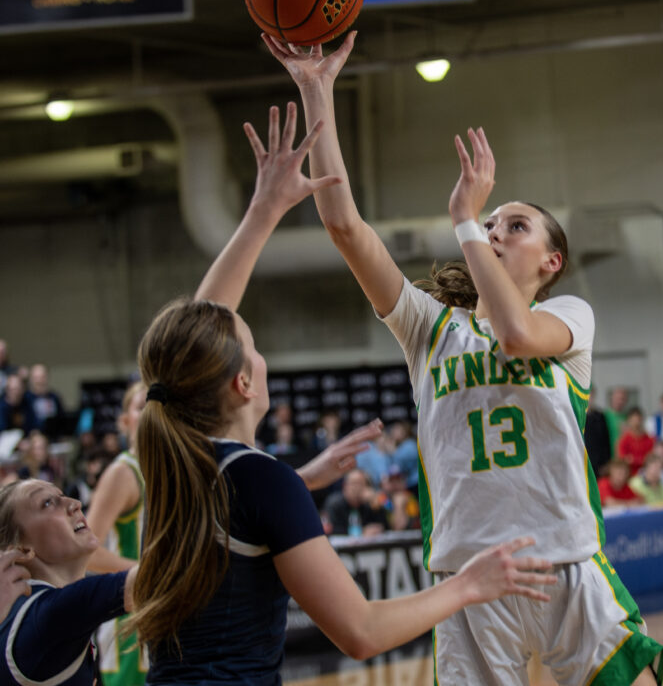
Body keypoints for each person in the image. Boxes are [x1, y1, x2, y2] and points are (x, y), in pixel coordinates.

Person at [266, 32, 663, 685]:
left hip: (567, 562)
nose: (494, 230)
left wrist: (464, 218)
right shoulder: (430, 329)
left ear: (551, 261)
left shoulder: (570, 318)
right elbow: (344, 226)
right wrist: (316, 88)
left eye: (515, 226)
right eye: (491, 223)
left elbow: (514, 334)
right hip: (466, 579)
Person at [128, 102, 557, 684]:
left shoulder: (173, 459)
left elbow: (195, 339)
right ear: (243, 382)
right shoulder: (251, 476)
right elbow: (360, 632)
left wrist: (265, 207)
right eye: (251, 344)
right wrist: (468, 585)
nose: (258, 350)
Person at [0, 479, 138, 685]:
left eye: (62, 495)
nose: (74, 503)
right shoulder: (46, 616)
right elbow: (159, 577)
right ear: (23, 549)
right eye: (47, 503)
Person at [86, 381, 148, 686]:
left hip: (161, 613)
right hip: (129, 622)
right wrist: (150, 575)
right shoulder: (123, 472)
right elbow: (85, 551)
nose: (151, 413)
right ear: (125, 422)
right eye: (141, 407)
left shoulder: (168, 470)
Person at [618, 407, 656, 475]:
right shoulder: (624, 440)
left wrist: (633, 460)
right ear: (629, 421)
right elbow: (623, 460)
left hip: (646, 475)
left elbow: (650, 459)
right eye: (633, 420)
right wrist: (642, 460)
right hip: (628, 476)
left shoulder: (649, 439)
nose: (636, 423)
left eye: (638, 420)